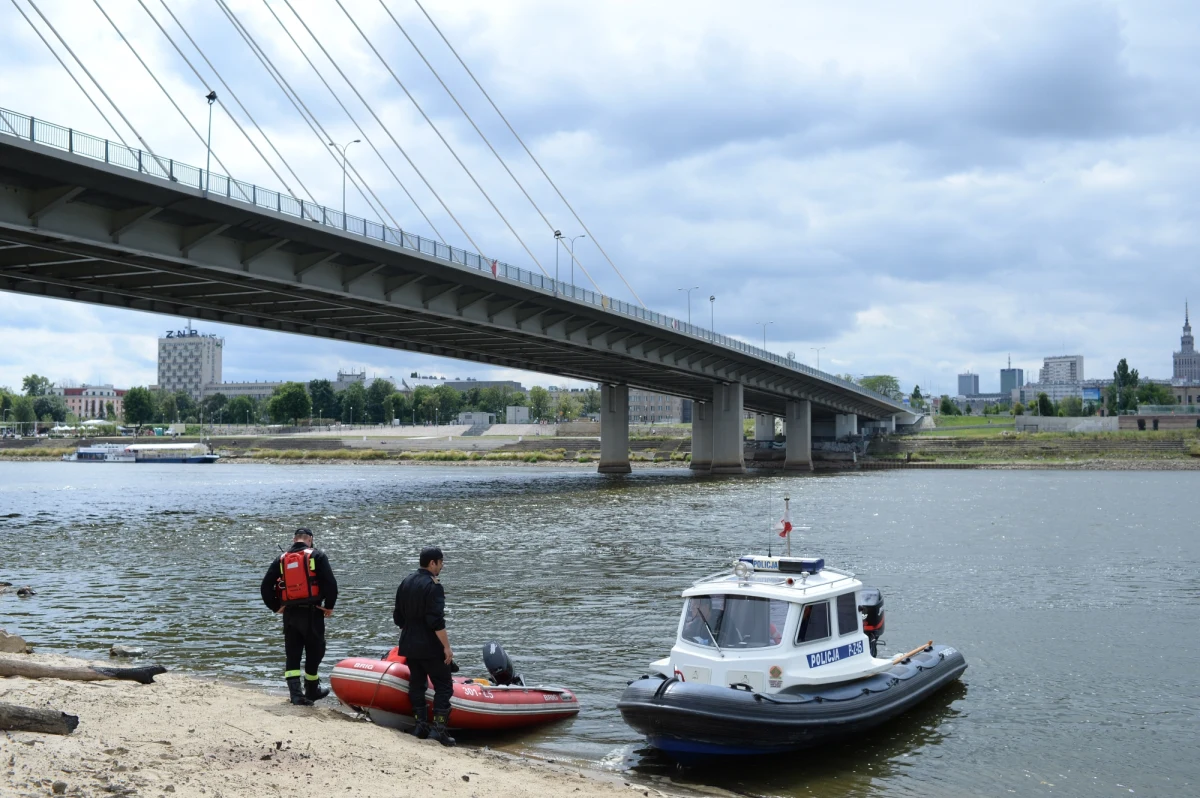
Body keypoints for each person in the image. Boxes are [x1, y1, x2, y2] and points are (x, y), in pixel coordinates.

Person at [260, 527, 338, 706]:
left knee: (293, 654)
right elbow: (331, 584)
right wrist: (329, 606)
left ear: (294, 539)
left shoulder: (281, 559)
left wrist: (276, 607)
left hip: (290, 614)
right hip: (313, 612)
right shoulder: (317, 556)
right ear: (310, 539)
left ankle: (296, 695)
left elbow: (265, 587)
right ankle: (311, 690)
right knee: (315, 651)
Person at [393, 546, 455, 746]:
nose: (442, 566)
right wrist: (446, 647)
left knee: (417, 684)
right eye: (441, 562)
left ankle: (420, 725)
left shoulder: (406, 582)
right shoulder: (434, 586)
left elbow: (397, 617)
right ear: (432, 563)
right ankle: (438, 730)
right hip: (430, 646)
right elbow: (436, 621)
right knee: (444, 686)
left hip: (409, 644)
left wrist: (411, 629)